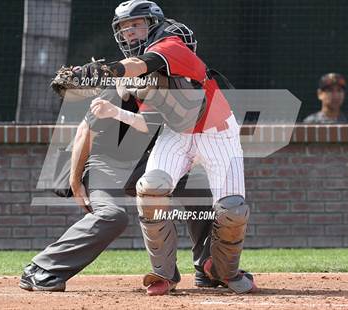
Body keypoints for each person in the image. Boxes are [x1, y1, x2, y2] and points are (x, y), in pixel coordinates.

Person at [88, 0, 257, 296]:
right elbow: (146, 122)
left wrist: (105, 71)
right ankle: (164, 274)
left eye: (136, 24)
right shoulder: (136, 75)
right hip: (176, 133)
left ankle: (225, 271)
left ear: (153, 24)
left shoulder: (170, 44)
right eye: (124, 28)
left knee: (231, 209)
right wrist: (115, 109)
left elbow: (140, 64)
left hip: (216, 129)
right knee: (151, 187)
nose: (129, 33)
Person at [19, 76, 217, 291]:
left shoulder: (174, 93)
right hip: (103, 164)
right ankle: (41, 268)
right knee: (112, 215)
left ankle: (207, 270)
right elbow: (84, 133)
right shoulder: (117, 90)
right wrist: (75, 182)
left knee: (200, 189)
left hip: (145, 162)